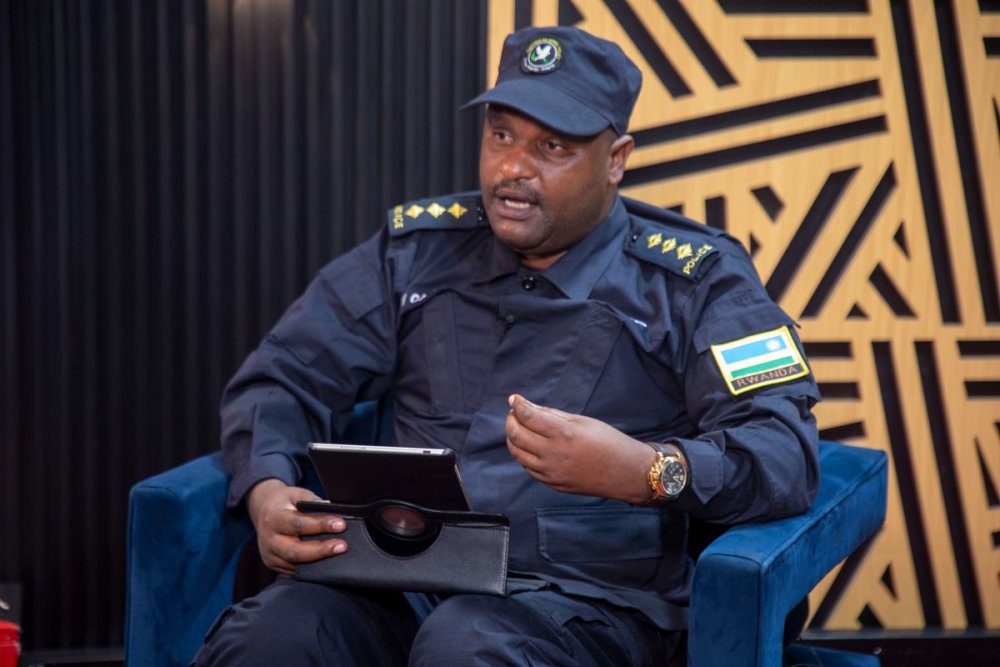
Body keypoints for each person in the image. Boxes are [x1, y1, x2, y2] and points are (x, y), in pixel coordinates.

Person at [194, 25, 820, 666]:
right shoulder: (417, 254)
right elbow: (283, 375)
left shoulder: (697, 281)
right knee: (268, 638)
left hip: (587, 601)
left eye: (552, 147)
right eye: (500, 136)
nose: (513, 168)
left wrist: (645, 470)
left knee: (465, 647)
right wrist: (267, 489)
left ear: (616, 159)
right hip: (402, 579)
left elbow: (783, 452)